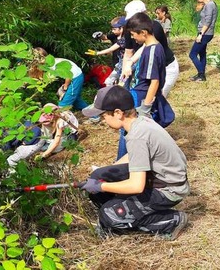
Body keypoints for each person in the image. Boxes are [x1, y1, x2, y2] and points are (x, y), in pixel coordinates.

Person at [80, 85, 189, 240]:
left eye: (104, 116)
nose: (103, 121)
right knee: (99, 175)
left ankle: (171, 220)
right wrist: (103, 177)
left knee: (109, 215)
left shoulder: (138, 136)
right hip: (157, 177)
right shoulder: (140, 121)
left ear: (118, 113)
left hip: (168, 189)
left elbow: (136, 186)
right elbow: (133, 157)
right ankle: (123, 208)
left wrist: (101, 186)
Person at [116, 13, 174, 159]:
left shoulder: (152, 51)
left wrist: (145, 108)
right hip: (139, 94)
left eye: (133, 35)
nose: (133, 38)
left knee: (129, 132)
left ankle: (122, 165)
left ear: (144, 32)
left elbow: (154, 81)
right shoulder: (152, 47)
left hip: (141, 97)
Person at [121, 0, 179, 98]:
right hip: (147, 70)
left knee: (155, 99)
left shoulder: (154, 27)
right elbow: (128, 53)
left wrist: (130, 63)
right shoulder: (129, 29)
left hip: (166, 68)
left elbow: (145, 48)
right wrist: (123, 75)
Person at [189, 0, 218, 82]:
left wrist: (200, 34)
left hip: (205, 33)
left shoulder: (210, 5)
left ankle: (201, 75)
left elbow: (208, 21)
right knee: (202, 54)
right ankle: (200, 74)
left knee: (192, 54)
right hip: (205, 32)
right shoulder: (208, 4)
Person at [86, 16, 126, 87]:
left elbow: (110, 49)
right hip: (116, 60)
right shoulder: (114, 35)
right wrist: (100, 35)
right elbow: (105, 37)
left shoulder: (125, 38)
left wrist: (97, 53)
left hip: (124, 62)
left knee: (121, 81)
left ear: (121, 28)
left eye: (114, 29)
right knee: (112, 81)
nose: (112, 31)